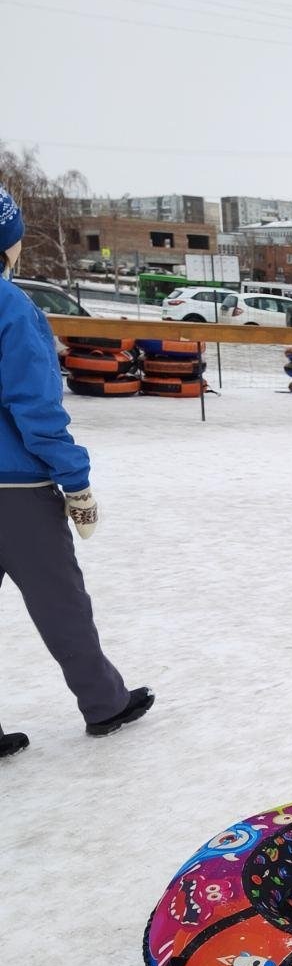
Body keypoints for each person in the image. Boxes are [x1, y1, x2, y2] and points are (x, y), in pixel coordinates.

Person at [0, 185, 154, 750]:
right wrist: (75, 480)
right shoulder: (9, 306)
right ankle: (104, 704)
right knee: (60, 603)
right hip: (15, 490)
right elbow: (34, 406)